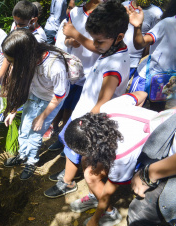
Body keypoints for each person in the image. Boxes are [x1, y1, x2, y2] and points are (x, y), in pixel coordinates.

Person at [44, 0, 130, 198]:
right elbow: (96, 46)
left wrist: (83, 123)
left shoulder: (114, 65)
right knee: (71, 147)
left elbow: (103, 102)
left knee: (74, 146)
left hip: (90, 118)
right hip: (85, 111)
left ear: (118, 37)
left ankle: (67, 182)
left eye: (99, 42)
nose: (96, 45)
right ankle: (69, 172)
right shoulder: (111, 49)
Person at [62, 91, 165, 226]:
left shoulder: (121, 155)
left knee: (90, 175)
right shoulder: (109, 107)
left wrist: (94, 220)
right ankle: (94, 196)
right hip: (149, 135)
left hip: (161, 154)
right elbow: (142, 94)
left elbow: (109, 191)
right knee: (88, 166)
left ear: (96, 147)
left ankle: (111, 215)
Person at [2, 29, 70, 180]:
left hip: (50, 100)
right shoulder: (30, 60)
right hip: (35, 94)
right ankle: (23, 154)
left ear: (24, 56)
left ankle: (32, 161)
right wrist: (13, 110)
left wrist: (42, 117)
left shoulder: (54, 66)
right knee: (24, 128)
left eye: (13, 61)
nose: (11, 65)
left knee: (34, 134)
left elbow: (59, 96)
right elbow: (23, 85)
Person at [48, 0, 100, 142]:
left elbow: (102, 48)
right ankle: (63, 139)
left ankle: (69, 142)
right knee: (65, 107)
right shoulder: (75, 12)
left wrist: (77, 36)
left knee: (78, 111)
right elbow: (66, 40)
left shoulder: (105, 14)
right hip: (73, 71)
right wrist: (71, 41)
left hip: (93, 74)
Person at [127, 0, 176, 111]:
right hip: (144, 78)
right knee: (131, 111)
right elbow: (140, 44)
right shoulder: (167, 23)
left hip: (166, 82)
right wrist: (137, 27)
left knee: (156, 116)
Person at [122, 0, 162, 80]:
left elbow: (152, 41)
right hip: (112, 55)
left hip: (131, 62)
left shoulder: (157, 13)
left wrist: (140, 55)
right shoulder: (124, 5)